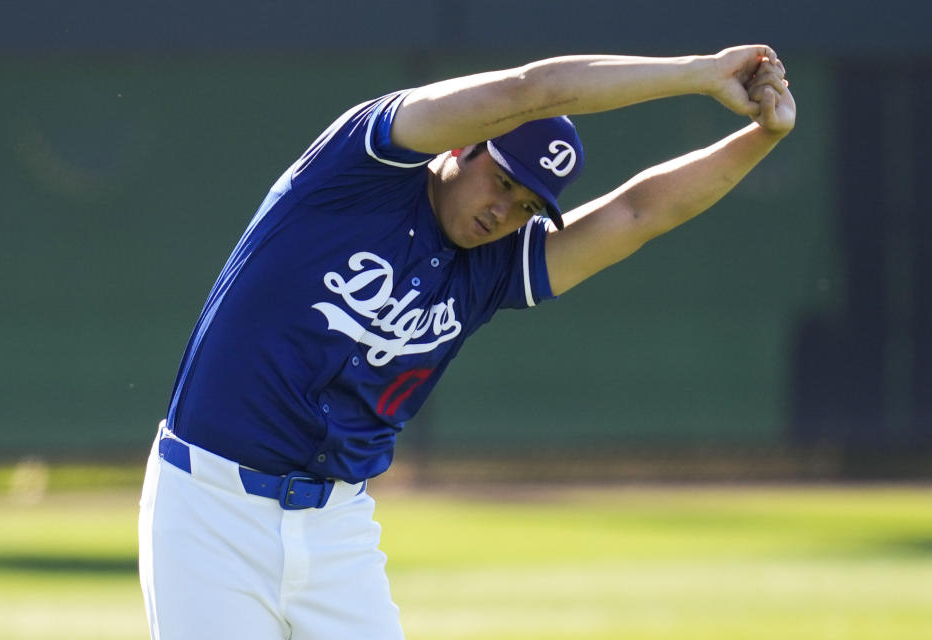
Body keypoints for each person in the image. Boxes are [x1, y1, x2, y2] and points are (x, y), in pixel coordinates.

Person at [138, 45, 794, 639]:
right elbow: (526, 91)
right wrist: (698, 74)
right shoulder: (355, 171)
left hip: (336, 528)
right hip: (211, 511)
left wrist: (765, 136)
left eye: (527, 208)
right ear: (463, 146)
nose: (502, 212)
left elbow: (637, 213)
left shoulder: (493, 266)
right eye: (503, 181)